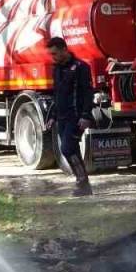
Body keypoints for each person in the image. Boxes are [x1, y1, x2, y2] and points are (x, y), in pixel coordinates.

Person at [45, 37, 95, 197]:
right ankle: (84, 186)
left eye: (55, 53)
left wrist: (86, 115)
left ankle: (82, 182)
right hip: (62, 117)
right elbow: (57, 94)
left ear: (64, 49)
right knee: (72, 149)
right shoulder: (57, 69)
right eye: (51, 54)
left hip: (76, 116)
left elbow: (88, 93)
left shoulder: (81, 67)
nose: (53, 57)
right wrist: (52, 116)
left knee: (66, 148)